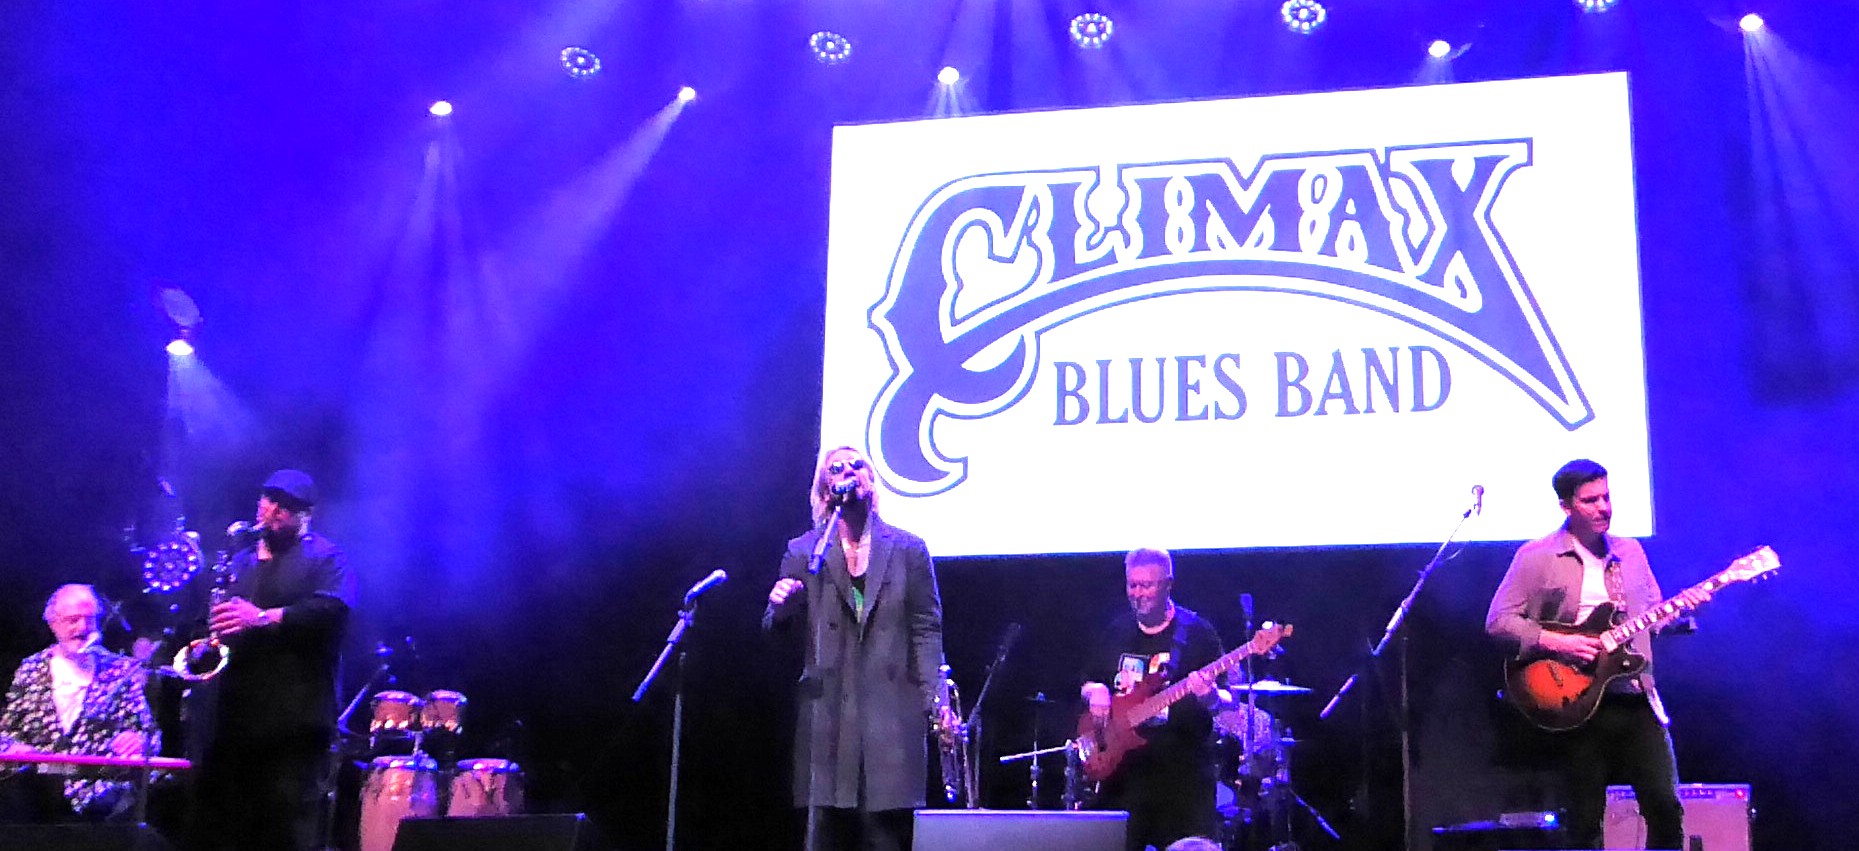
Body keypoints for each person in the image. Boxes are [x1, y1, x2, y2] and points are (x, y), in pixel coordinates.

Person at [1485, 459, 1707, 850]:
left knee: (1665, 805)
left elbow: (1651, 620)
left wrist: (1686, 611)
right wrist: (1559, 642)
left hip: (1635, 695)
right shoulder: (1537, 556)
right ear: (1566, 506)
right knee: (1585, 820)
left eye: (1606, 497)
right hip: (1576, 702)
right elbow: (1499, 622)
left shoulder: (1630, 552)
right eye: (1590, 500)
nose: (1603, 507)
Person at [764, 446, 953, 851]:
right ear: (825, 488)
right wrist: (781, 609)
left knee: (885, 839)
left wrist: (937, 704)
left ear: (871, 480)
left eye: (858, 465)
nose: (849, 471)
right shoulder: (805, 552)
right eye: (837, 468)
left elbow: (926, 631)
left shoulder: (908, 549)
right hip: (827, 727)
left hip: (891, 725)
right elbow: (778, 635)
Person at [193, 469, 352, 851]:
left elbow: (334, 609)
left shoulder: (326, 556)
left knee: (286, 829)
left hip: (295, 720)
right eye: (270, 499)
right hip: (235, 716)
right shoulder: (240, 561)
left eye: (287, 505)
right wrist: (205, 642)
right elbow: (218, 620)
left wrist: (263, 617)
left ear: (306, 514)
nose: (274, 510)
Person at [1080, 548, 1229, 851]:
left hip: (1183, 784)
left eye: (1147, 585)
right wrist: (1095, 690)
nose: (1138, 594)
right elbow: (1088, 681)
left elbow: (1227, 699)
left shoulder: (1198, 633)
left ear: (1168, 585)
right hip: (1124, 780)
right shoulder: (1117, 631)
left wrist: (1210, 696)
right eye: (1132, 585)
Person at [0, 584, 158, 822]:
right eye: (73, 620)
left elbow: (149, 734)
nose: (82, 628)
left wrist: (137, 742)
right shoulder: (31, 669)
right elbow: (7, 732)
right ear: (54, 624)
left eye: (89, 620)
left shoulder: (120, 670)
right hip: (37, 800)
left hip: (102, 804)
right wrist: (16, 750)